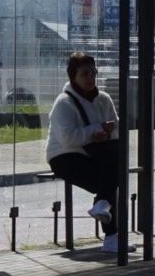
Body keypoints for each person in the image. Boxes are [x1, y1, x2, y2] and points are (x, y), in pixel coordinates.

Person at [46, 52, 126, 253]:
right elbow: (67, 138)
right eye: (84, 74)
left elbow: (116, 128)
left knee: (114, 163)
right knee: (108, 181)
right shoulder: (64, 103)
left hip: (95, 153)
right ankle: (110, 235)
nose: (90, 78)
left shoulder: (104, 99)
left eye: (93, 72)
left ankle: (103, 210)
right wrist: (95, 131)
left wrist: (105, 134)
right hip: (65, 156)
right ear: (73, 76)